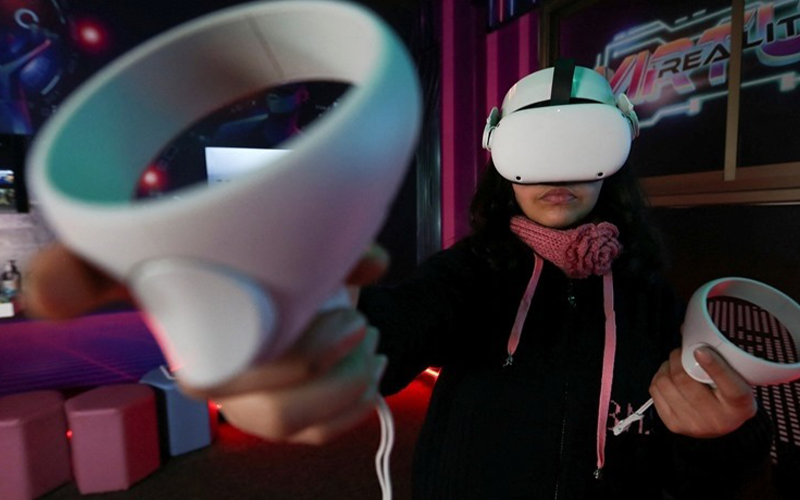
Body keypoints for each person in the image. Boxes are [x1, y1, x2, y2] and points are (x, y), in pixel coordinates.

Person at [24, 63, 773, 499]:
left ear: (618, 154)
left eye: (582, 145)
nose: (558, 172)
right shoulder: (474, 271)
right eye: (537, 148)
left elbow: (701, 467)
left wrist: (717, 439)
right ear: (501, 155)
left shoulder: (650, 294)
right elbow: (392, 329)